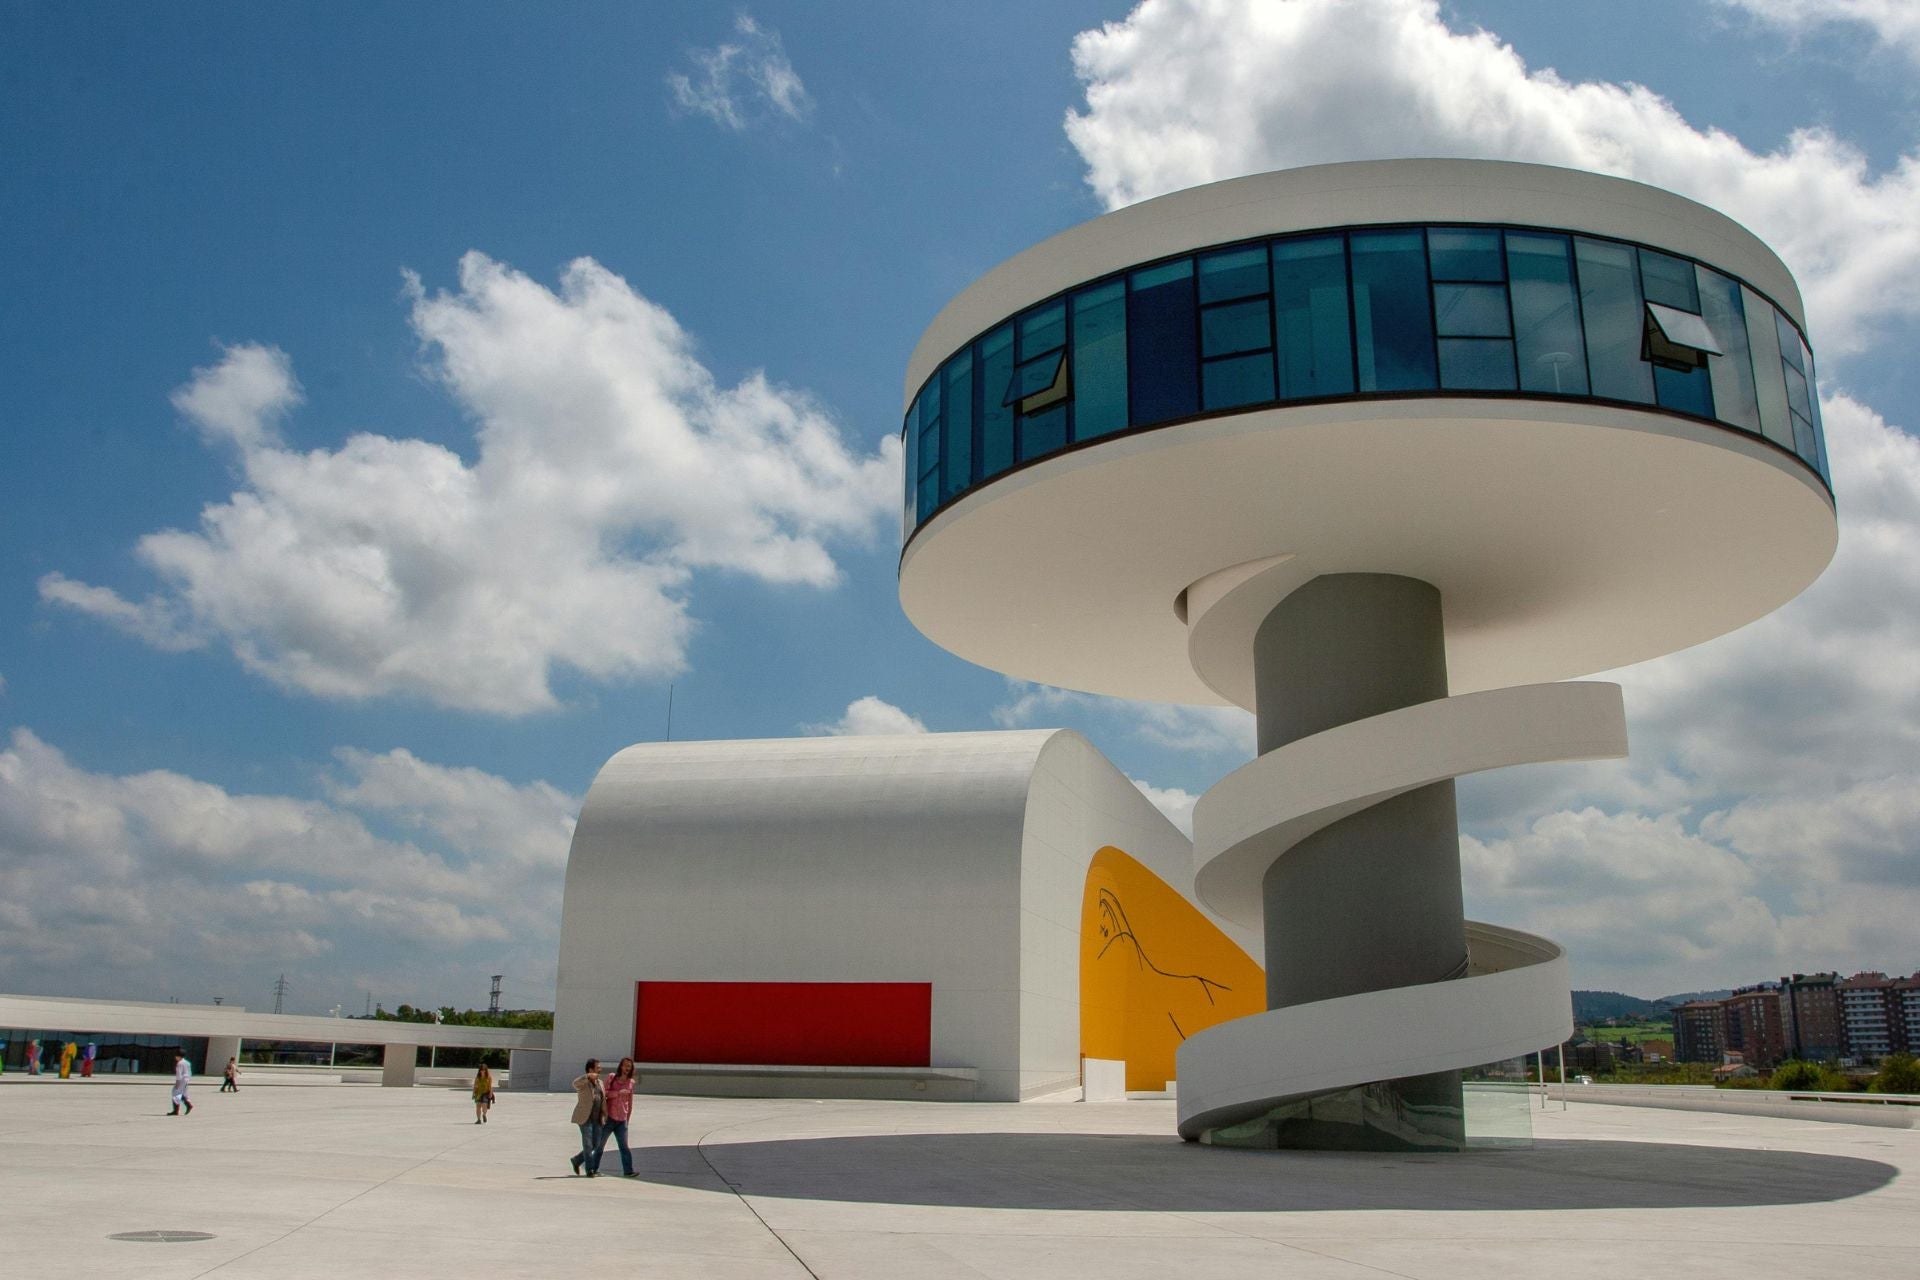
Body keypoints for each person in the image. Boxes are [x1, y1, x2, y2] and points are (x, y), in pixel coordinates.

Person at [595, 1057, 639, 1177]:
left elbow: (630, 1102)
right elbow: (603, 1093)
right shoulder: (612, 1077)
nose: (626, 1068)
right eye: (625, 1065)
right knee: (599, 1145)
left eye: (629, 1066)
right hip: (609, 1117)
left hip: (622, 1120)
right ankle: (593, 1168)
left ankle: (628, 1171)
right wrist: (617, 1093)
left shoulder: (631, 1082)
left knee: (624, 1147)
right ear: (620, 1066)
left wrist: (627, 1119)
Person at [568, 1058, 605, 1176]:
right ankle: (590, 1170)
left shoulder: (600, 1083)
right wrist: (587, 1076)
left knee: (595, 1144)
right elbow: (575, 1084)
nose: (600, 1069)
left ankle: (576, 1160)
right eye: (597, 1068)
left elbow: (603, 1100)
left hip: (597, 1118)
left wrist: (604, 1115)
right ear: (590, 1070)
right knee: (588, 1144)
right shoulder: (583, 1083)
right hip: (585, 1118)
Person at [169, 1050, 193, 1116]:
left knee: (175, 1093)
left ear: (178, 1056)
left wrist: (177, 1083)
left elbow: (179, 1074)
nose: (175, 1057)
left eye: (176, 1056)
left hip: (181, 1080)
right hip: (186, 1079)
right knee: (183, 1093)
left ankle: (177, 1110)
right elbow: (190, 1072)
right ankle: (187, 1104)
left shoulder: (179, 1063)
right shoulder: (187, 1063)